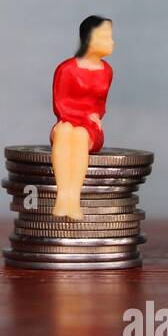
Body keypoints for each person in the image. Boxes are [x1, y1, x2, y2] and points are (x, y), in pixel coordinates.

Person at [50, 16, 114, 221]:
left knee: (79, 135)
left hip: (90, 126)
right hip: (66, 120)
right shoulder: (66, 69)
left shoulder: (107, 71)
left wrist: (96, 117)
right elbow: (60, 104)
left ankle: (72, 198)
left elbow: (101, 104)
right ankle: (62, 196)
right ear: (88, 38)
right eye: (104, 35)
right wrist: (76, 117)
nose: (111, 41)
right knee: (65, 132)